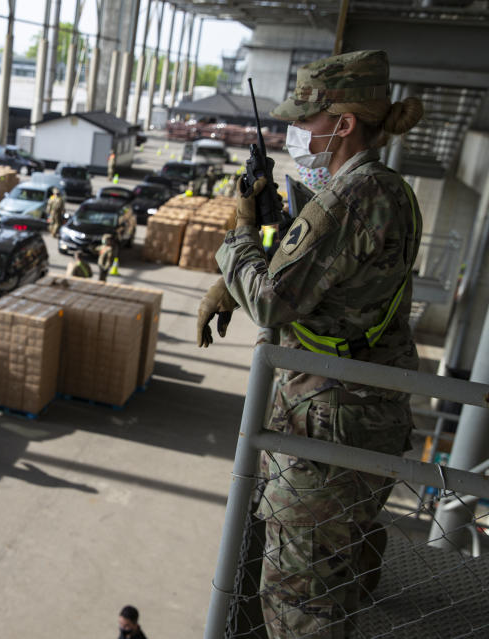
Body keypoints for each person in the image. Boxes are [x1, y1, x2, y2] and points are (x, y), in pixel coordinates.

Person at [196, 50, 424, 638]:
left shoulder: (351, 197)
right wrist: (242, 273)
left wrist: (240, 240)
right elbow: (329, 283)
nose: (297, 132)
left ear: (343, 124)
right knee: (330, 583)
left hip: (329, 426)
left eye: (308, 119)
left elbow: (274, 301)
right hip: (356, 411)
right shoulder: (386, 189)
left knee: (301, 608)